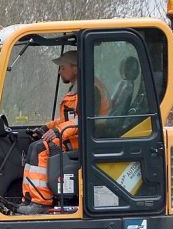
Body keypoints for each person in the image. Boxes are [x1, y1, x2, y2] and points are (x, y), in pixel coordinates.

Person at [18, 50, 109, 215]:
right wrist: (47, 128)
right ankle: (30, 198)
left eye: (62, 67)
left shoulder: (90, 90)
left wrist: (58, 132)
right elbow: (67, 118)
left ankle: (42, 203)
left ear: (75, 68)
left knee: (41, 149)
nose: (60, 71)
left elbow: (85, 121)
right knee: (33, 146)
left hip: (86, 140)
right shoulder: (78, 88)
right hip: (74, 136)